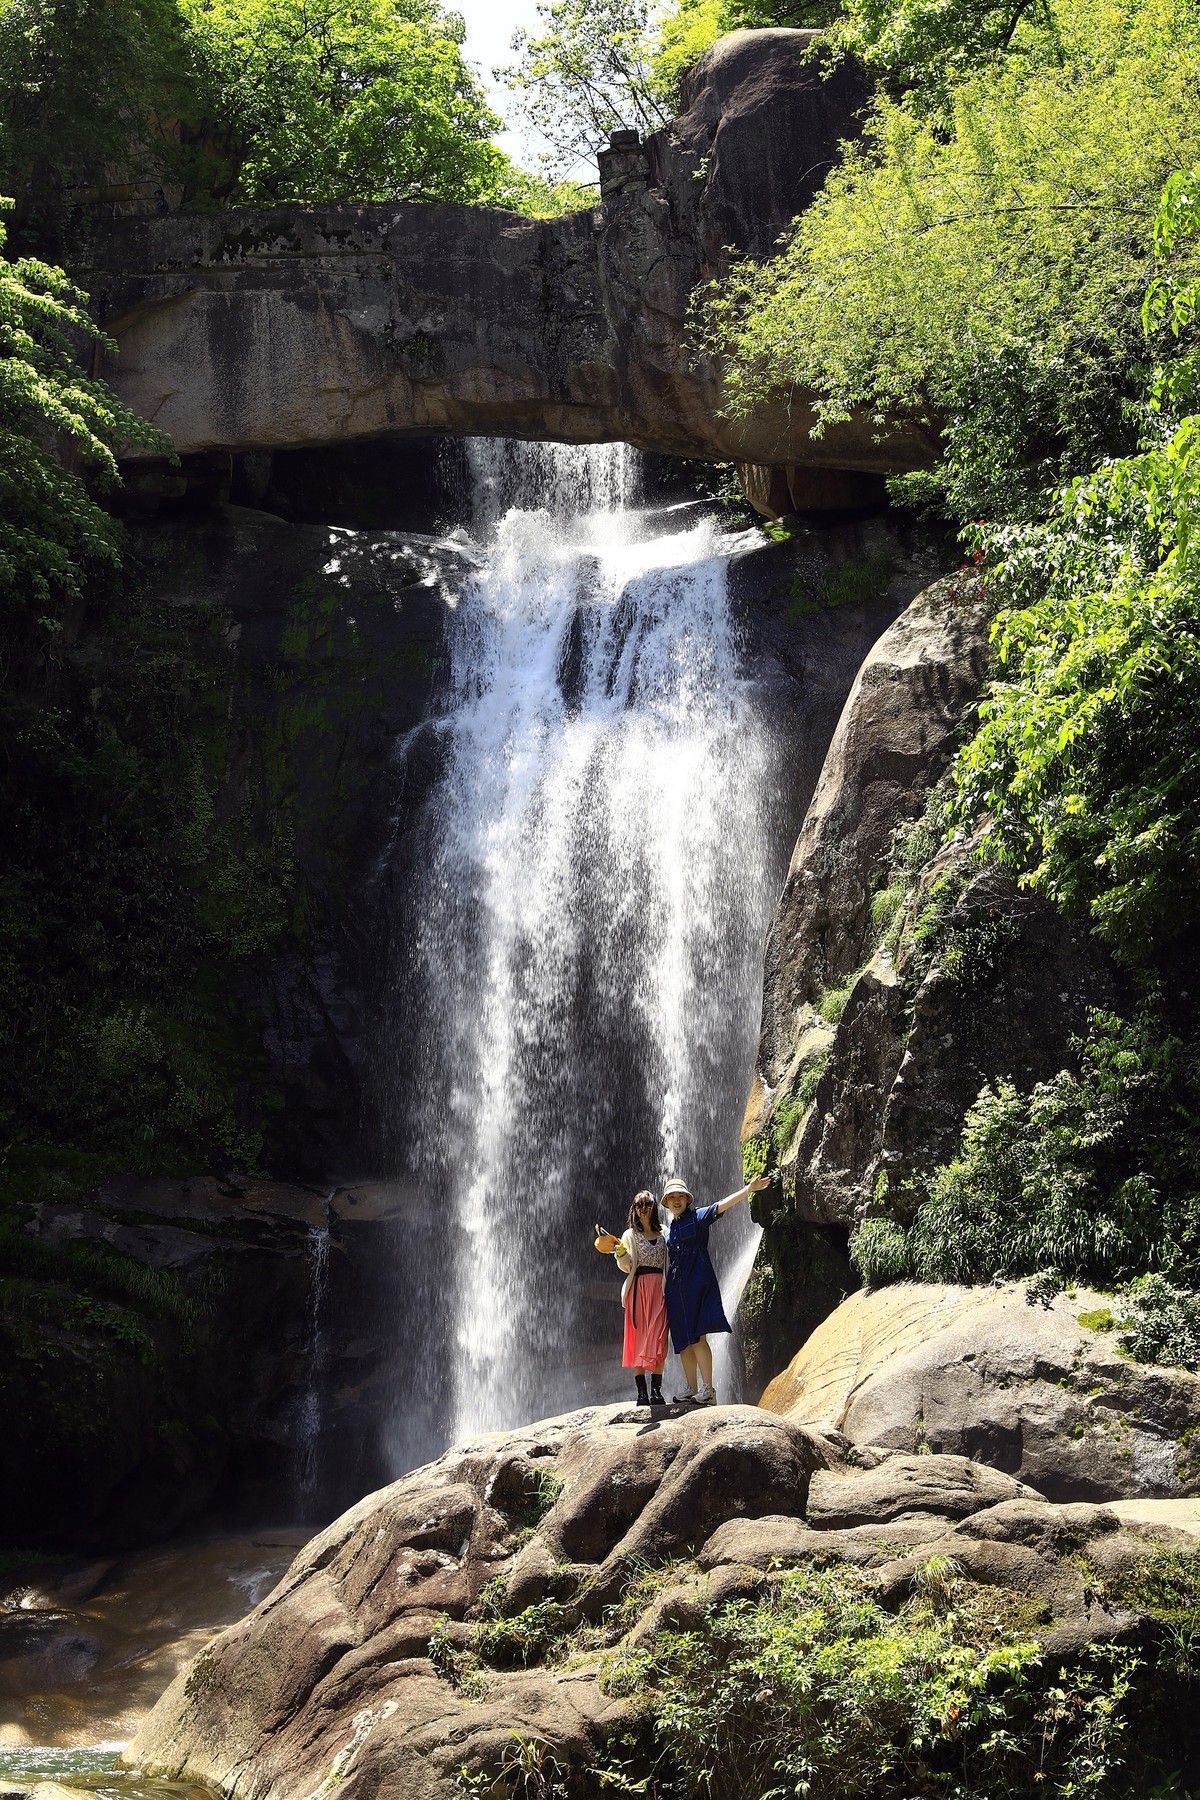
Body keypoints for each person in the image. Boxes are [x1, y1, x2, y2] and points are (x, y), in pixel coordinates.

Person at [662, 1173, 771, 1406]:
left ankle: (708, 1390)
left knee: (698, 1336)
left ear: (687, 1199)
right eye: (672, 1197)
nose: (677, 1200)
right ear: (667, 1203)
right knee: (683, 1340)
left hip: (697, 1282)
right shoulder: (669, 1230)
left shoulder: (698, 1217)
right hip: (676, 1288)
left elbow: (721, 1205)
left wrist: (748, 1190)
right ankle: (691, 1387)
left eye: (680, 1196)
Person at [594, 1191, 668, 1407]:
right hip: (638, 1289)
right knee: (638, 1338)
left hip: (661, 1289)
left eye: (647, 1204)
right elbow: (627, 1266)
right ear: (634, 1209)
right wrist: (620, 1252)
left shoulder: (664, 1232)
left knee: (660, 1338)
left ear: (654, 1207)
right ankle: (642, 1393)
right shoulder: (629, 1235)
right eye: (639, 1205)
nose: (643, 1209)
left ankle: (656, 1390)